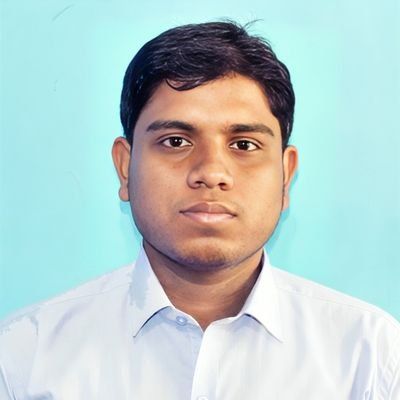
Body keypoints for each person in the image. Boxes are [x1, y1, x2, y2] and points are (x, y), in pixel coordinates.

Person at [0, 21, 399, 400]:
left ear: (285, 175)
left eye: (244, 145)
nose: (211, 173)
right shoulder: (23, 358)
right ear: (125, 167)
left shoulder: (370, 357)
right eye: (176, 141)